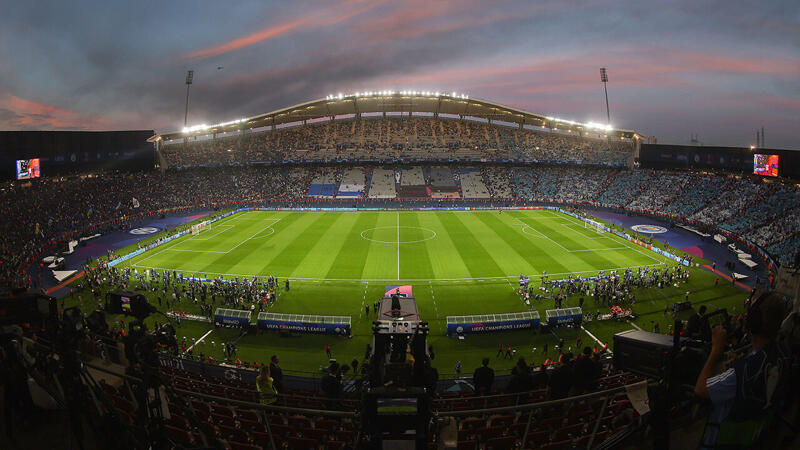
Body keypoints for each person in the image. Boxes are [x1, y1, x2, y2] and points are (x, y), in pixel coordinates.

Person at [694, 291, 790, 449]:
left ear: (753, 321)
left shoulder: (743, 371)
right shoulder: (784, 356)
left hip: (726, 441)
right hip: (757, 437)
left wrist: (716, 350)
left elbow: (700, 390)